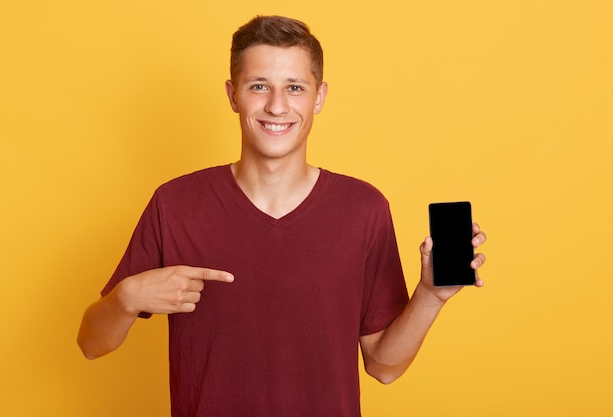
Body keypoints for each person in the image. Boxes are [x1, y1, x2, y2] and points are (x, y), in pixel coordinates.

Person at [77, 15, 487, 417]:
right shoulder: (175, 203)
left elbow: (383, 366)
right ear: (233, 95)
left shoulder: (363, 209)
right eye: (259, 86)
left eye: (294, 87)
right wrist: (126, 300)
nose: (277, 106)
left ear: (319, 97)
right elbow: (92, 343)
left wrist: (431, 296)